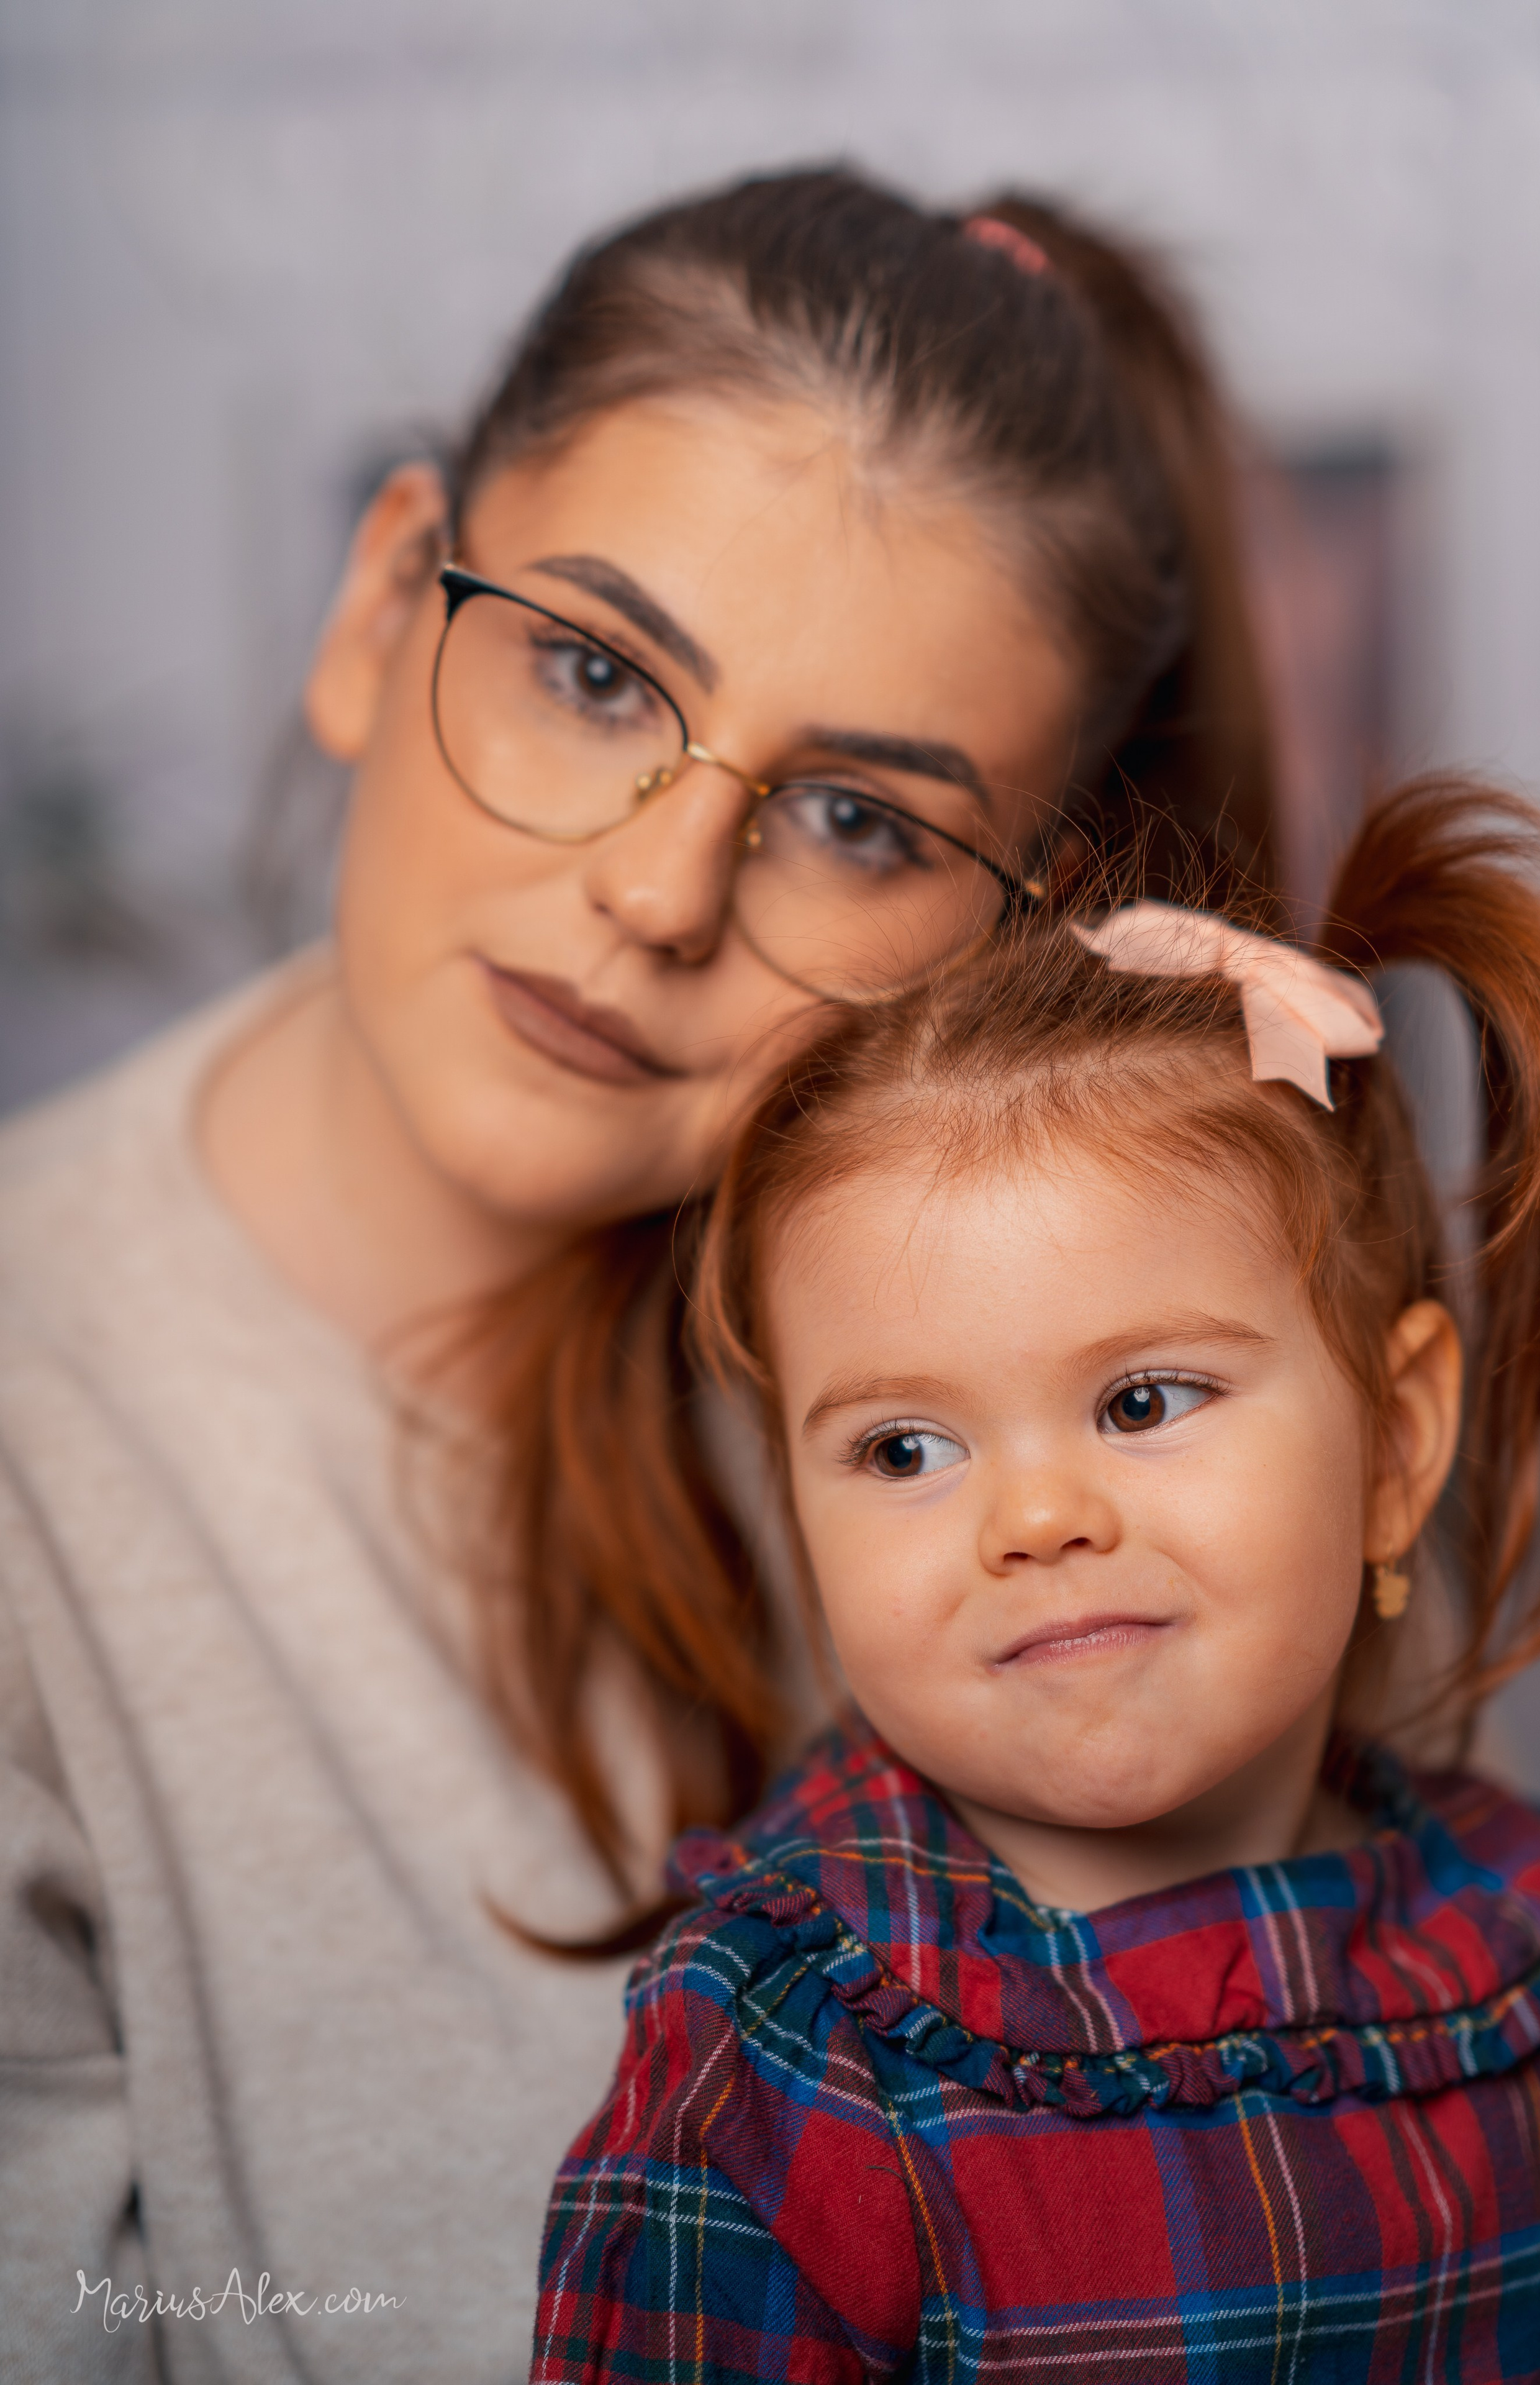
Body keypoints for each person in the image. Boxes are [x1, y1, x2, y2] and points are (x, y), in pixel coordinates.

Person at [0, 167, 1280, 2383]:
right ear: (384, 605)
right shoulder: (44, 1477)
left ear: (1012, 924)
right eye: (593, 672)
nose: (661, 893)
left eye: (862, 821)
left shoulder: (1153, 1417)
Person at [533, 779, 1540, 2381]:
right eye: (903, 1451)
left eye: (1143, 1402)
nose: (1033, 1520)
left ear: (1394, 1444)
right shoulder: (792, 2048)